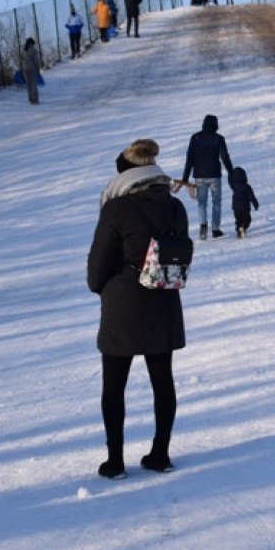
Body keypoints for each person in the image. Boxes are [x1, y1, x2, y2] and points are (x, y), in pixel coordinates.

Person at [87, 139, 188, 479]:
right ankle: (160, 454)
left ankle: (115, 462)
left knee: (115, 384)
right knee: (163, 380)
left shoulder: (115, 209)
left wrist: (103, 287)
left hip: (123, 304)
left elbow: (97, 267)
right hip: (163, 298)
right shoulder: (175, 207)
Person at [181, 114, 234, 240]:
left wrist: (185, 178)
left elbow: (190, 159)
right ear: (215, 124)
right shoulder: (218, 138)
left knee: (201, 202)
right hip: (214, 175)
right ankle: (215, 229)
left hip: (199, 175)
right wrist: (231, 172)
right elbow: (224, 157)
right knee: (216, 202)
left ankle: (203, 227)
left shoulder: (195, 138)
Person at [228, 166, 259, 238]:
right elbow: (252, 196)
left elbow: (229, 181)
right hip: (245, 208)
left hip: (236, 208)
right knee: (247, 220)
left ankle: (239, 230)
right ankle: (243, 227)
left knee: (238, 220)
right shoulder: (247, 186)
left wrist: (230, 174)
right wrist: (255, 204)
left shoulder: (234, 185)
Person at [20, 37, 41, 105]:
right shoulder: (34, 51)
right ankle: (35, 99)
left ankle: (30, 98)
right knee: (33, 84)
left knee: (28, 84)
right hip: (32, 68)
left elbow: (21, 60)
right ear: (32, 43)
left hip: (24, 69)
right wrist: (38, 69)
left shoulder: (23, 50)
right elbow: (36, 61)